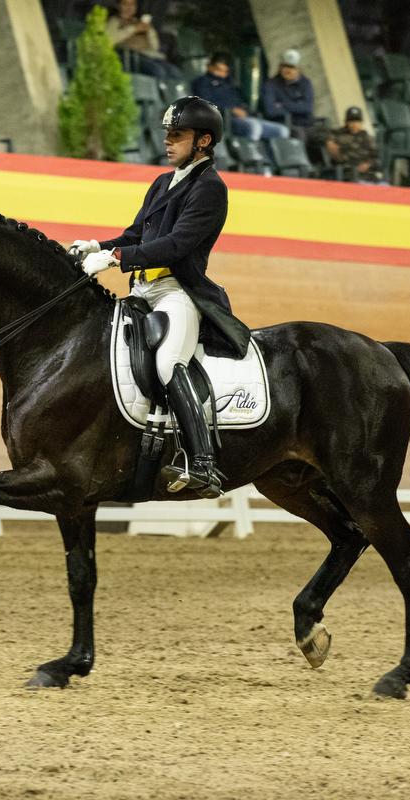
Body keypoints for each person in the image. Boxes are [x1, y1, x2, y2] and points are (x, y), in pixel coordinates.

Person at [70, 97, 251, 498]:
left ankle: (203, 464)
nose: (168, 142)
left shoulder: (210, 189)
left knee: (169, 362)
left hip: (177, 291)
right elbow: (138, 234)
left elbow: (175, 245)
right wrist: (97, 244)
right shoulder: (162, 182)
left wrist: (116, 258)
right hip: (142, 290)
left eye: (177, 135)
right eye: (167, 134)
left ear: (203, 141)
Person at [190, 52, 288, 141]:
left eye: (225, 71)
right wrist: (231, 110)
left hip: (244, 118)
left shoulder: (231, 83)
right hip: (224, 119)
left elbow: (241, 101)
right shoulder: (202, 82)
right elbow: (206, 104)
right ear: (209, 67)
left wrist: (245, 109)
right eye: (218, 70)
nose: (221, 74)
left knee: (282, 130)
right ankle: (251, 158)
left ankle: (271, 160)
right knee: (254, 127)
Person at [105, 0, 178, 80]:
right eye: (125, 4)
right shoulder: (115, 20)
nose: (129, 7)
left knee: (174, 72)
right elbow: (109, 40)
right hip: (129, 56)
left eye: (132, 4)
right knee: (158, 71)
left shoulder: (139, 21)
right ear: (119, 6)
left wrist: (149, 31)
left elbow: (155, 47)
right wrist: (134, 29)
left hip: (150, 56)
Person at [261, 48, 314, 134]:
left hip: (306, 123)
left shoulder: (305, 83)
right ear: (280, 67)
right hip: (283, 124)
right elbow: (270, 110)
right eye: (285, 66)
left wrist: (282, 104)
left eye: (292, 67)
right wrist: (297, 106)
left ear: (299, 69)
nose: (288, 70)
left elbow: (307, 108)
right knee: (298, 133)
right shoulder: (271, 84)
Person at [326, 106, 381, 182]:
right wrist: (331, 146)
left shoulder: (368, 138)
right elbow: (335, 158)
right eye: (351, 121)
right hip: (347, 175)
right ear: (346, 122)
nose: (354, 124)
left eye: (357, 121)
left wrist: (368, 164)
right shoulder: (337, 135)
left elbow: (377, 159)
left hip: (368, 176)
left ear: (361, 123)